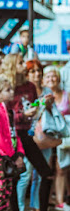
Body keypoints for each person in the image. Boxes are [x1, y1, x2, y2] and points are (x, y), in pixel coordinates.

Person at [0, 53, 53, 211]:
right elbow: (3, 116)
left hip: (26, 134)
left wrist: (40, 104)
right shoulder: (6, 87)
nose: (24, 65)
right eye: (21, 62)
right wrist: (23, 115)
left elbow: (34, 107)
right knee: (14, 177)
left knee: (46, 173)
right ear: (12, 66)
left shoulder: (30, 86)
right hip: (12, 136)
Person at [16, 60, 61, 211]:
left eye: (38, 70)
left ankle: (36, 206)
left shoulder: (47, 90)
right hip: (29, 135)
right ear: (27, 74)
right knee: (25, 174)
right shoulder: (22, 89)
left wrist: (47, 104)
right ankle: (20, 207)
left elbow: (52, 112)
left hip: (45, 135)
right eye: (33, 71)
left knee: (42, 174)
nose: (36, 74)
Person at [0, 77, 25, 211]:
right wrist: (13, 156)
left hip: (10, 155)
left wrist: (19, 153)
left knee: (7, 192)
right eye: (7, 90)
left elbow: (14, 133)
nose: (11, 92)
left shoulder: (8, 111)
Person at [43, 65, 70, 209]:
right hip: (46, 138)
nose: (51, 79)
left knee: (61, 168)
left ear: (59, 78)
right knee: (46, 168)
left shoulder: (66, 95)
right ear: (43, 80)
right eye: (48, 76)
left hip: (62, 138)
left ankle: (60, 201)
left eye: (54, 76)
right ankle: (45, 199)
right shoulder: (41, 95)